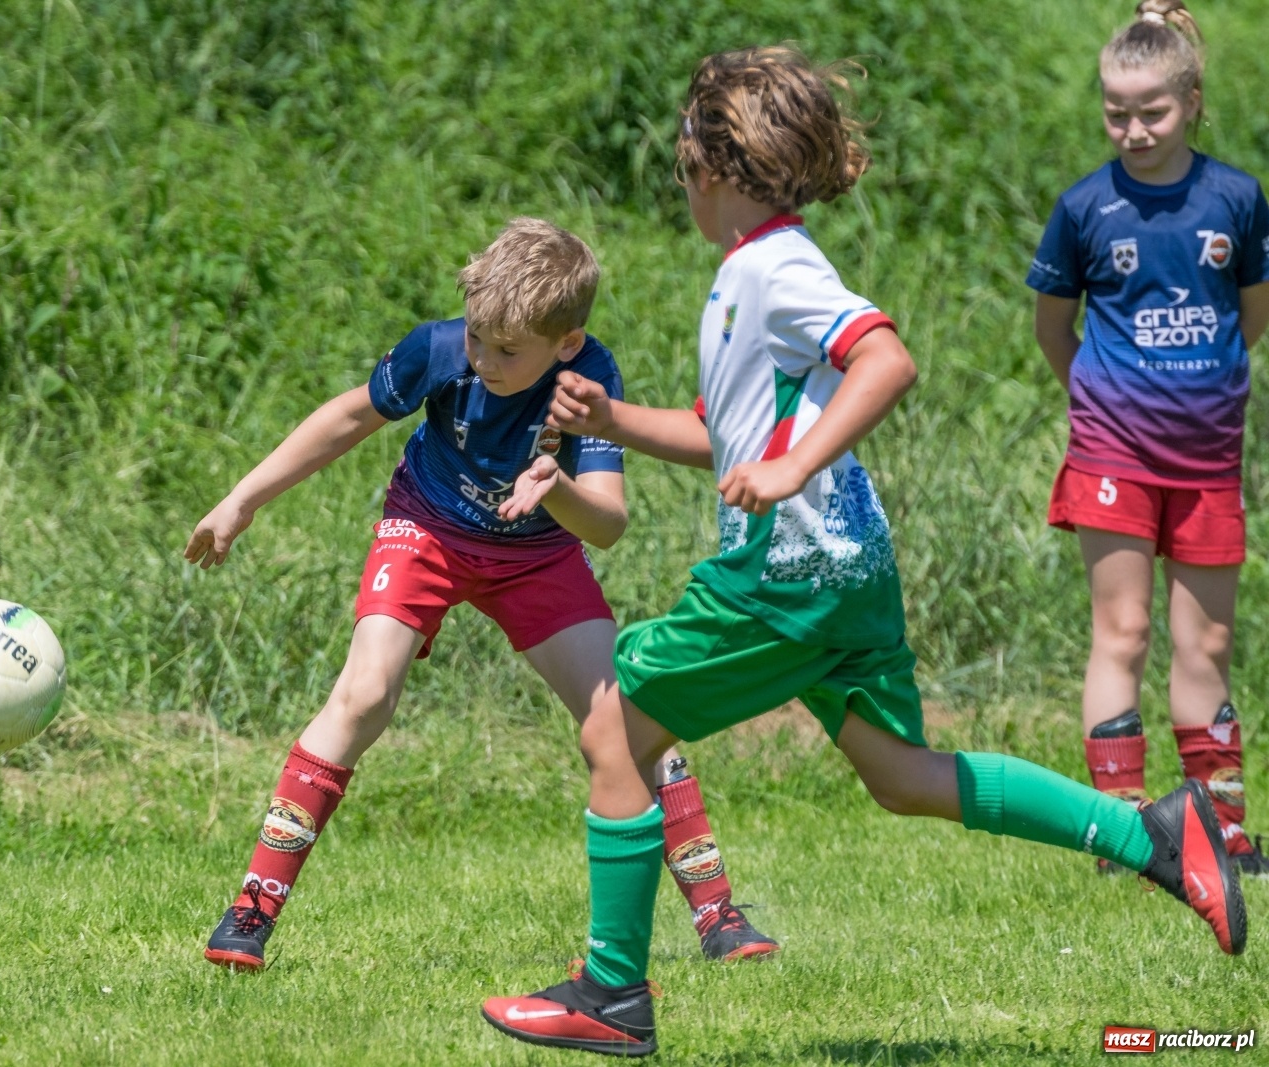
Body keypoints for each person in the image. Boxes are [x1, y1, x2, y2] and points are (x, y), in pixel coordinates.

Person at [481, 47, 1247, 1058]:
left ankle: (611, 990)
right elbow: (731, 431)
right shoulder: (746, 274)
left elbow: (885, 359)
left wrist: (793, 468)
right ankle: (1148, 832)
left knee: (616, 726)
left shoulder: (774, 265)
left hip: (788, 573)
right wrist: (616, 420)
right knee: (897, 773)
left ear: (708, 164)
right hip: (845, 572)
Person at [183, 217, 776, 973]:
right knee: (363, 696)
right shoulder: (439, 349)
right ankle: (250, 910)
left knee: (628, 716)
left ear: (566, 343)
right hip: (424, 527)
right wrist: (243, 499)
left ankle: (719, 914)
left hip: (536, 554)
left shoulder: (586, 379)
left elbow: (608, 523)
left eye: (507, 350)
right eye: (477, 339)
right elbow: (346, 417)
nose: (484, 360)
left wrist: (555, 488)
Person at [1028, 0, 1269, 877]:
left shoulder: (1237, 198)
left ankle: (1223, 825)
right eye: (1115, 111)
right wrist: (1107, 401)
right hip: (1111, 458)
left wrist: (1192, 391)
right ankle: (1124, 833)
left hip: (1209, 461)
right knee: (1121, 632)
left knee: (1205, 643)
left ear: (1193, 100)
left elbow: (1248, 316)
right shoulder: (1085, 207)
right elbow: (1055, 329)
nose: (1133, 129)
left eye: (1152, 111)